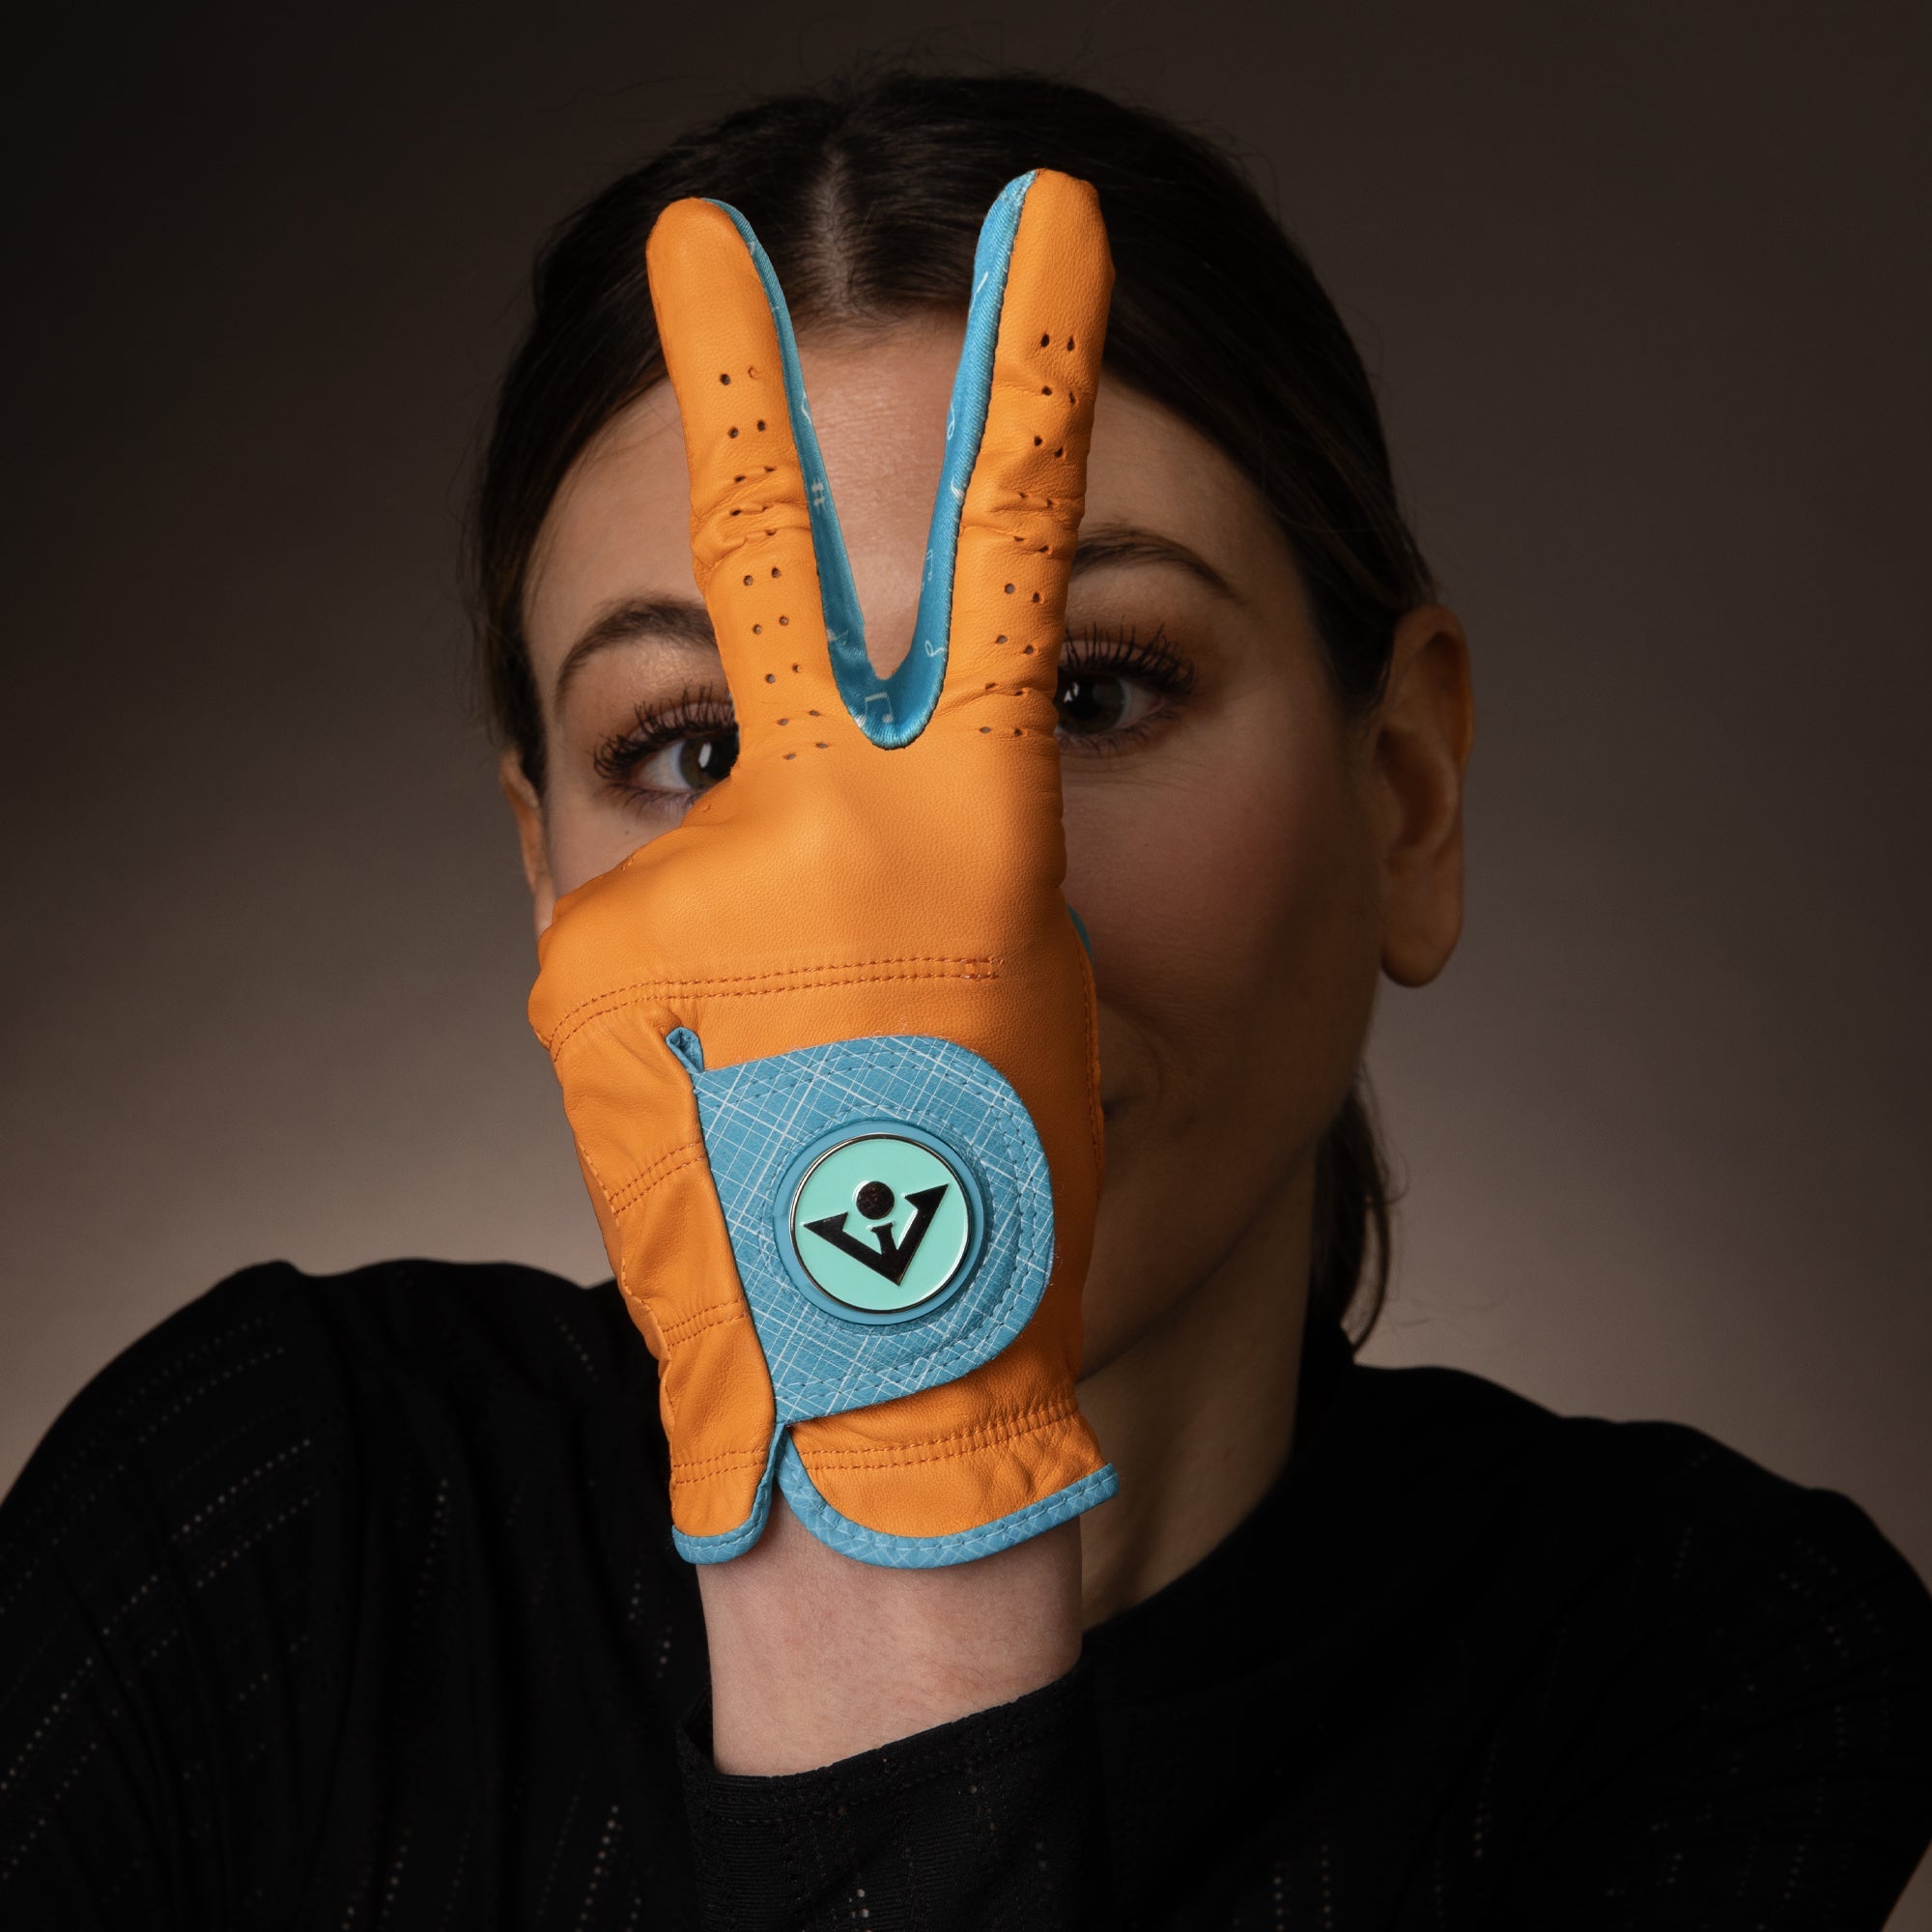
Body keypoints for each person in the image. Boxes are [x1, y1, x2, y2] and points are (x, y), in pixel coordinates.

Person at [2, 67, 1928, 1932]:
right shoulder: (262, 1520)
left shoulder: (1696, 1664)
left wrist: (909, 1474)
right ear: (545, 876)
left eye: (1085, 691)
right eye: (689, 744)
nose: (914, 895)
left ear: (1403, 795)